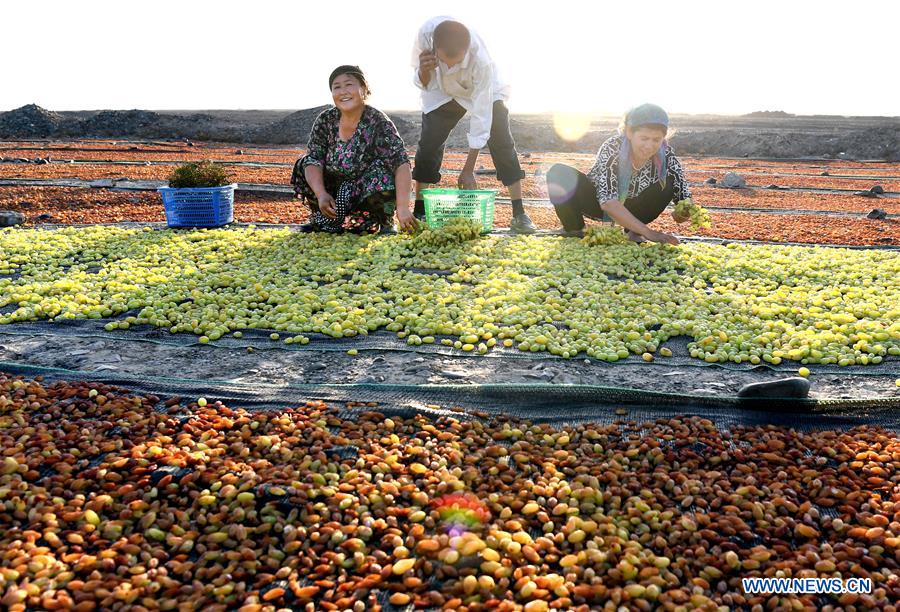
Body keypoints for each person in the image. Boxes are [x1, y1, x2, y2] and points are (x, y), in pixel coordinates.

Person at [411, 17, 536, 234]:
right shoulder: (425, 35)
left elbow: (481, 116)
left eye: (457, 62)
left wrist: (468, 169)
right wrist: (423, 70)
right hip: (441, 91)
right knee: (430, 141)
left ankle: (519, 213)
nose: (451, 66)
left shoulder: (481, 62)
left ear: (467, 50)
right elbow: (423, 80)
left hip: (481, 90)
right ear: (435, 48)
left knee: (501, 139)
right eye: (445, 61)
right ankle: (419, 210)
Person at [291, 65, 417, 234]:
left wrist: (403, 208)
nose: (343, 91)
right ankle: (325, 217)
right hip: (333, 192)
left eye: (349, 84)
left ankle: (380, 221)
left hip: (364, 190)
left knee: (382, 170)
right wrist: (321, 194)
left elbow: (401, 164)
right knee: (304, 163)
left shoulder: (377, 121)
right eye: (337, 87)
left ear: (363, 90)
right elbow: (314, 158)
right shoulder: (326, 120)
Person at [547, 104, 692, 244]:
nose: (649, 146)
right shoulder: (612, 147)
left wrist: (682, 213)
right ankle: (575, 229)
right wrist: (649, 233)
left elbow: (683, 199)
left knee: (670, 181)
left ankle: (633, 231)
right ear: (629, 132)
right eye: (644, 138)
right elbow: (608, 202)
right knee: (558, 173)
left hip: (638, 209)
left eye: (656, 140)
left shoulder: (666, 154)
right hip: (597, 202)